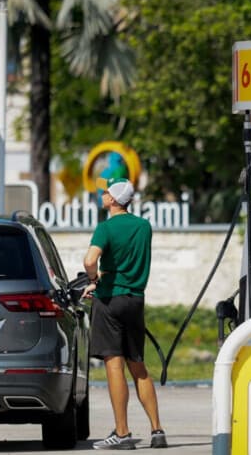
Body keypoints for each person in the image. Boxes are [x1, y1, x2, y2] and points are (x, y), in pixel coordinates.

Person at [83, 177, 167, 450]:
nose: (102, 194)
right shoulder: (144, 227)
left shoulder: (105, 228)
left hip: (110, 300)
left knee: (114, 365)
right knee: (138, 366)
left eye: (105, 191)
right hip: (135, 300)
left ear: (113, 199)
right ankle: (157, 430)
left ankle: (122, 433)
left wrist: (93, 280)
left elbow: (90, 260)